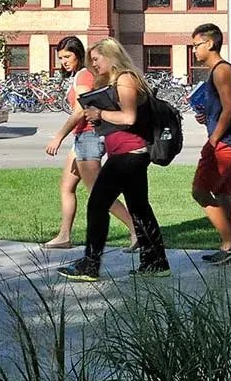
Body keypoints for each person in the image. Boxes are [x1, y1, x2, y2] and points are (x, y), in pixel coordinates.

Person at [52, 39, 170, 281]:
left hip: (129, 155)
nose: (93, 65)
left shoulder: (125, 79)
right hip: (129, 154)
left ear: (110, 56)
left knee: (97, 204)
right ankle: (156, 262)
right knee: (139, 209)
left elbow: (128, 117)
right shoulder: (115, 82)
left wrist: (100, 113)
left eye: (96, 60)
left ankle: (90, 264)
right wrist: (101, 119)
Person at [42, 36, 139, 251]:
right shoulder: (82, 75)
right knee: (67, 187)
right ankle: (64, 235)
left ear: (78, 55)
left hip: (89, 137)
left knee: (98, 193)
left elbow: (80, 110)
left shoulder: (83, 75)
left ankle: (136, 230)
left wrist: (58, 136)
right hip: (82, 138)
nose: (63, 62)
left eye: (67, 56)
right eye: (60, 58)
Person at [189, 23, 231, 265]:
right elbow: (222, 108)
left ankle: (230, 242)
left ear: (210, 43)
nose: (194, 51)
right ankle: (228, 249)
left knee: (200, 191)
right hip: (226, 140)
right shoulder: (216, 72)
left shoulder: (221, 71)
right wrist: (206, 117)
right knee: (222, 193)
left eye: (196, 45)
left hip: (224, 144)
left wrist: (213, 139)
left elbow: (230, 109)